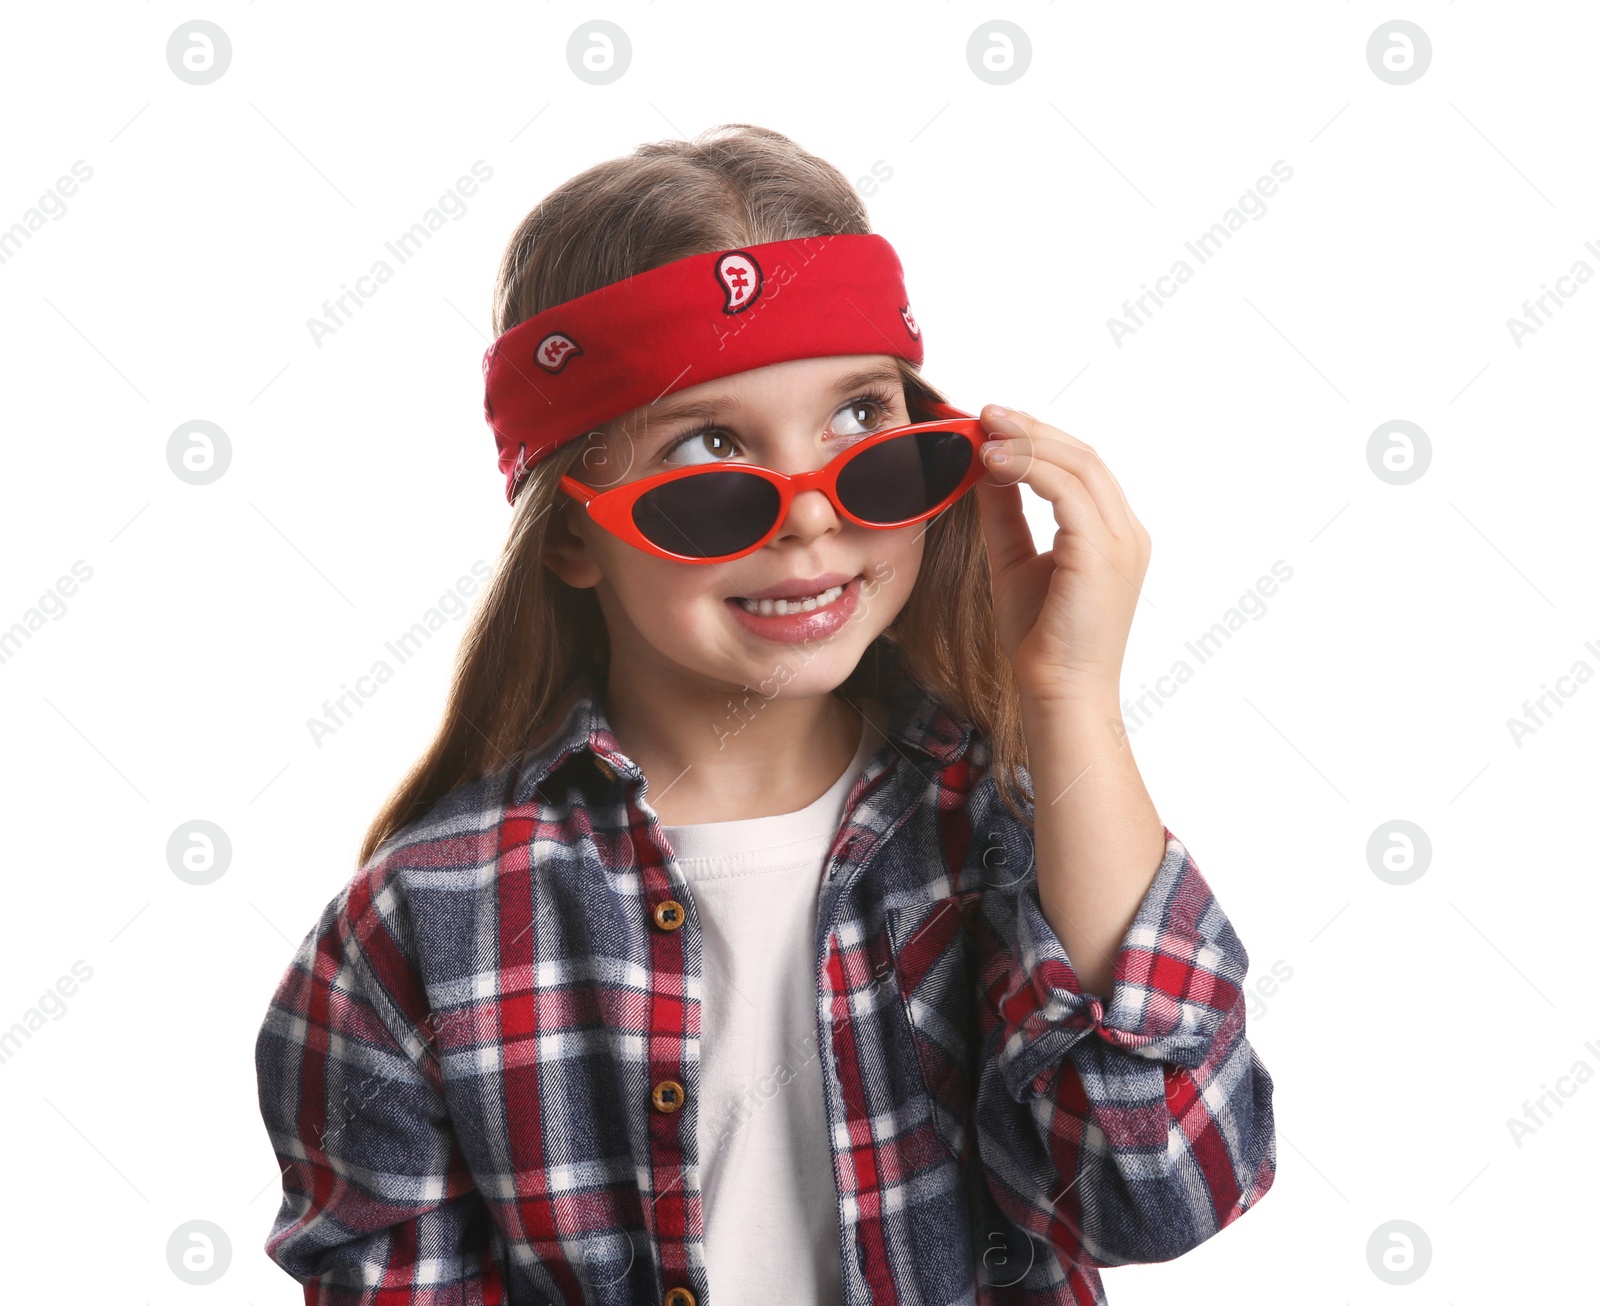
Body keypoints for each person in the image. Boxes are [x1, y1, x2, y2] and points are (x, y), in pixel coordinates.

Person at [254, 123, 1276, 1306]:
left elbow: (1160, 1193)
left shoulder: (1018, 838)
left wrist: (1069, 702)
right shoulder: (419, 926)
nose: (808, 518)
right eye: (711, 445)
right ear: (576, 529)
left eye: (859, 423)